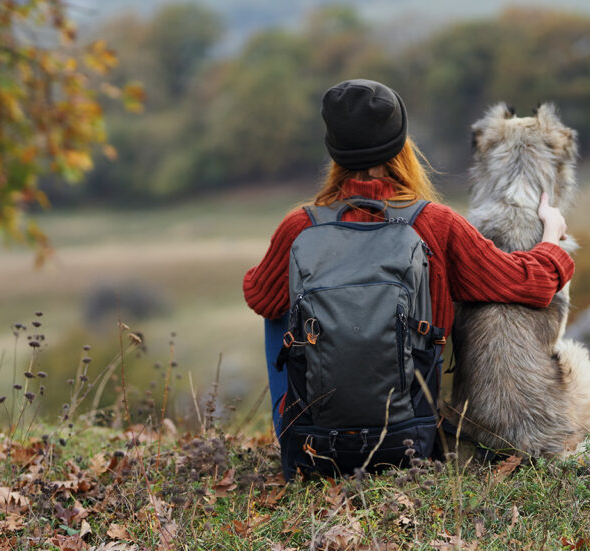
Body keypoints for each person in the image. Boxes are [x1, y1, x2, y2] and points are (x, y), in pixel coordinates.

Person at [243, 78, 573, 438]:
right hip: (411, 437)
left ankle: (290, 427)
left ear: (334, 150)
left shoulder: (299, 227)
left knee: (277, 306)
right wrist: (551, 236)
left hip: (318, 442)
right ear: (402, 144)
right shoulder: (437, 223)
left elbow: (259, 296)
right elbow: (531, 285)